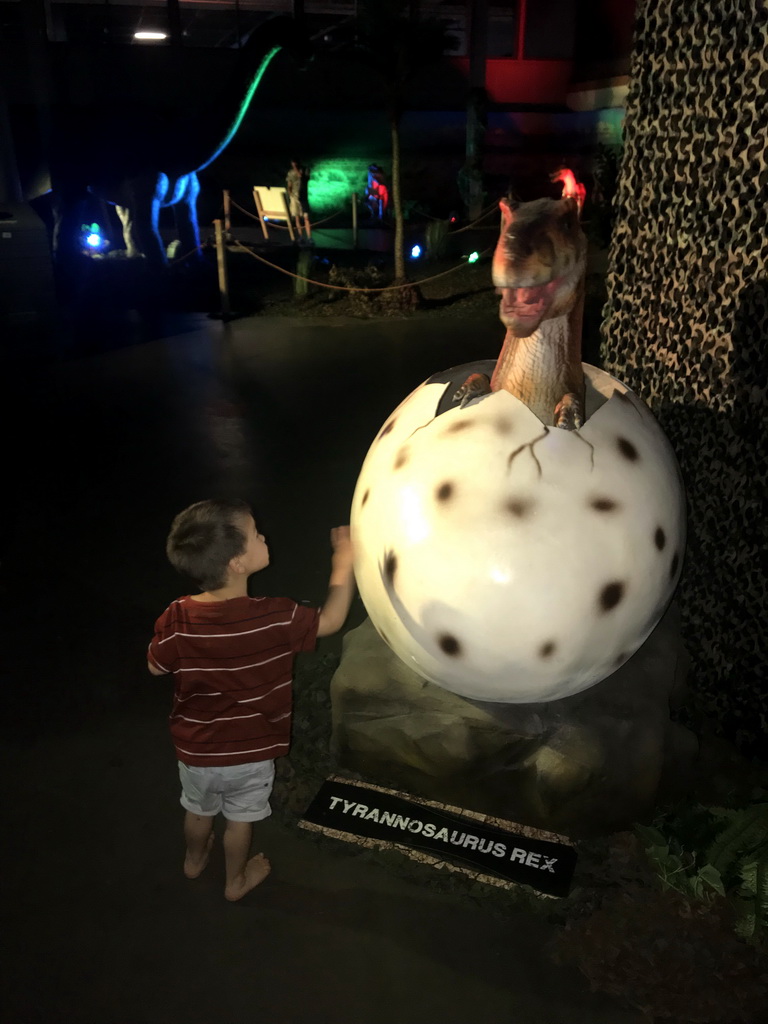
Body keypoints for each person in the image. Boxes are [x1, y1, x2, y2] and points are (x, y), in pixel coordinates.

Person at [147, 499, 356, 901]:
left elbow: (156, 666)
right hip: (252, 751)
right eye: (255, 533)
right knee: (240, 820)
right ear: (237, 564)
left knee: (197, 809)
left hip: (197, 749)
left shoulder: (176, 616)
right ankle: (235, 881)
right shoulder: (276, 617)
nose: (263, 536)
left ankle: (193, 861)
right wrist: (344, 560)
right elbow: (330, 620)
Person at [285, 158, 312, 240]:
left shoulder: (305, 170)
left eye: (295, 164)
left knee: (306, 217)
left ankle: (309, 237)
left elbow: (302, 178)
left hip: (303, 197)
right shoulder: (290, 172)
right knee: (296, 217)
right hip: (294, 197)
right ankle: (301, 237)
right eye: (293, 165)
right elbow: (289, 184)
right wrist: (290, 193)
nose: (294, 166)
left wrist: (297, 169)